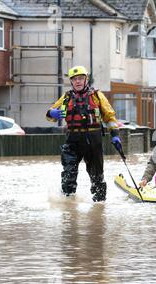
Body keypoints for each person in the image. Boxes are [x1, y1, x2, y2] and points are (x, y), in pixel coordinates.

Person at [46, 65, 121, 202]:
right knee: (68, 176)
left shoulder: (97, 96)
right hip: (73, 141)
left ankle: (99, 207)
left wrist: (115, 135)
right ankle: (68, 207)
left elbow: (109, 117)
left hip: (93, 141)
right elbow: (50, 114)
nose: (78, 82)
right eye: (74, 79)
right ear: (71, 82)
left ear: (86, 80)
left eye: (81, 78)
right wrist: (52, 112)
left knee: (97, 177)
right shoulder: (66, 98)